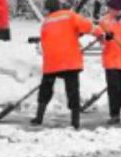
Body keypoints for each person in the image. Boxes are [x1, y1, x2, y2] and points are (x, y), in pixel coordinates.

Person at [32, 0, 93, 128]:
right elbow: (87, 26)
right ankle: (75, 121)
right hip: (70, 61)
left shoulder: (46, 22)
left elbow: (44, 42)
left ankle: (39, 117)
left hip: (52, 61)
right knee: (72, 91)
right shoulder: (70, 15)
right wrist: (78, 33)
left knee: (45, 89)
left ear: (48, 9)